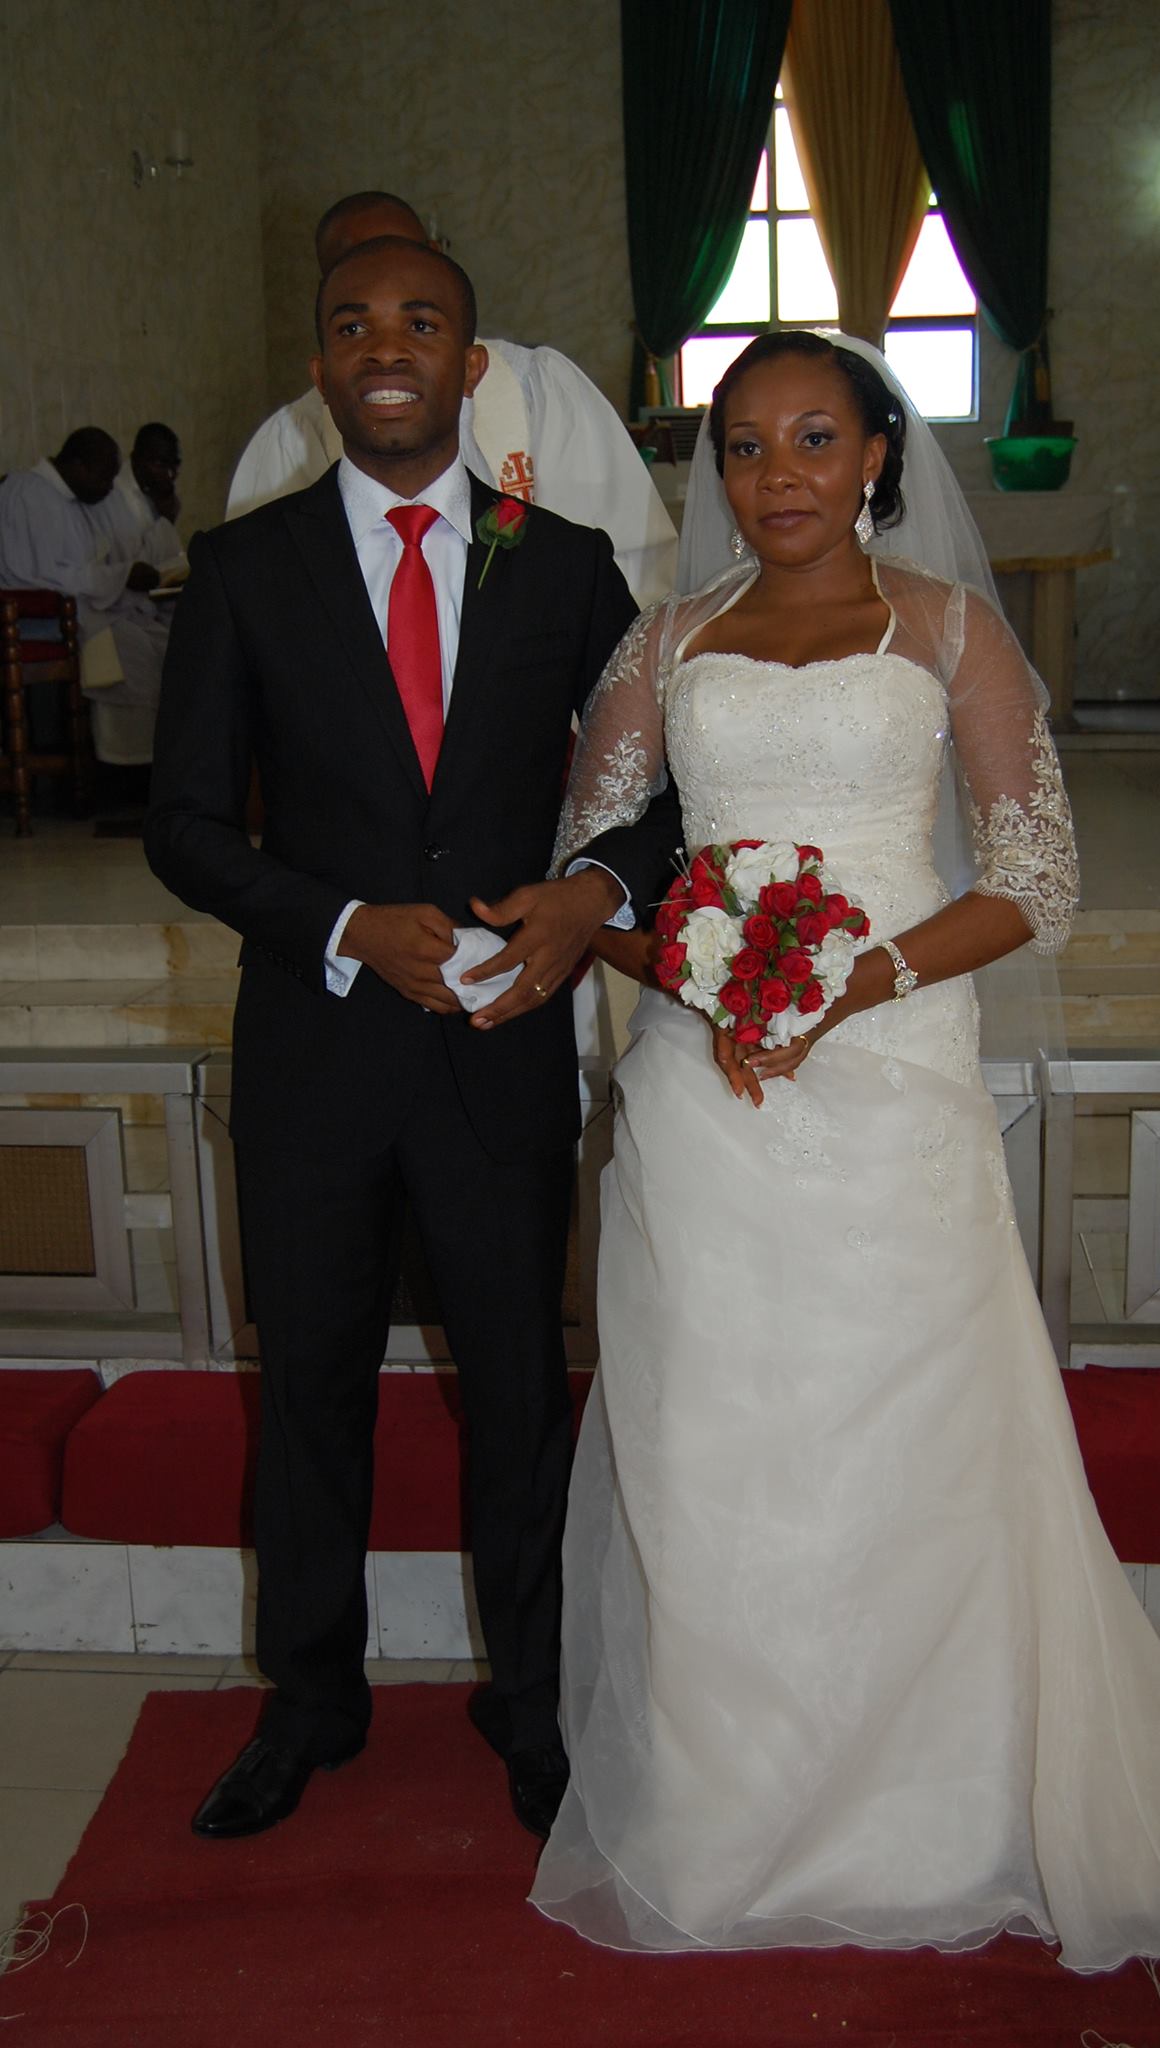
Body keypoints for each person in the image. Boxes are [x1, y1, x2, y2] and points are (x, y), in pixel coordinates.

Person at [530, 331, 1160, 1968]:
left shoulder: (950, 630)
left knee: (905, 1410)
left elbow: (1036, 880)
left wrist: (855, 981)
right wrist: (698, 967)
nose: (777, 473)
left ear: (875, 459)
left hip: (890, 1067)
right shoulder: (665, 640)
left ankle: (946, 1779)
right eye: (746, 443)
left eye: (813, 438)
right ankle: (729, 1792)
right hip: (707, 1084)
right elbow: (592, 867)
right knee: (712, 1416)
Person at [143, 236, 681, 1845]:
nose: (387, 345)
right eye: (353, 324)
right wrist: (342, 923)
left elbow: (658, 799)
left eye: (421, 321)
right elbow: (183, 825)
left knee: (518, 1389)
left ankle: (534, 1702)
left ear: (468, 365)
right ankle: (311, 1700)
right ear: (320, 366)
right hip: (315, 1055)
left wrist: (586, 898)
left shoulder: (561, 561)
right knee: (309, 1388)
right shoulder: (244, 566)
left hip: (502, 1044)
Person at [226, 190, 678, 607]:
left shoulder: (538, 388)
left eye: (406, 259)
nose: (387, 350)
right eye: (356, 271)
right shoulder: (289, 441)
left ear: (437, 255)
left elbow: (635, 564)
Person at [0, 426, 168, 765]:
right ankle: (124, 759)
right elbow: (47, 575)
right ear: (78, 466)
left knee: (160, 638)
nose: (109, 488)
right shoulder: (31, 493)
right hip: (32, 619)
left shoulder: (63, 497)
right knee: (131, 646)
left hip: (69, 608)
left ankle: (155, 754)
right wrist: (121, 576)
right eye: (104, 477)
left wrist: (122, 577)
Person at [91, 422, 188, 578]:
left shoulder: (159, 489)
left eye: (175, 465)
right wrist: (166, 522)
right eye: (160, 464)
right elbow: (134, 573)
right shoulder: (113, 495)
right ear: (136, 459)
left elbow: (171, 557)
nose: (170, 474)